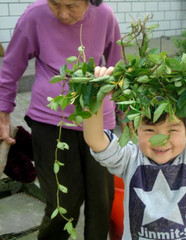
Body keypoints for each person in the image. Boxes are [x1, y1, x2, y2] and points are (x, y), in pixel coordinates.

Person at [0, 0, 122, 239]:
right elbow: (10, 66)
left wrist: (126, 112)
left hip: (98, 120)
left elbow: (118, 65)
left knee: (102, 201)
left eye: (71, 6)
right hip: (50, 121)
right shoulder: (35, 15)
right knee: (62, 204)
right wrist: (3, 114)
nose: (63, 14)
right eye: (55, 4)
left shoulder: (105, 16)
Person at [83, 67, 186, 240]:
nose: (161, 140)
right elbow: (95, 140)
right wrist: (96, 94)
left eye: (172, 129)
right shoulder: (129, 159)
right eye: (149, 129)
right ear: (133, 128)